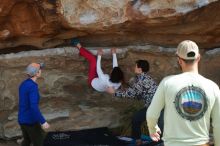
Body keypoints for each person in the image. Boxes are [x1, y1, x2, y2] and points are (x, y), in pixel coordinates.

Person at [147, 40, 220, 146]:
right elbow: (218, 124)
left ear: (179, 60)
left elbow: (151, 114)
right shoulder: (213, 87)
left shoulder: (167, 83)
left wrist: (152, 129)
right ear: (198, 58)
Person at [106, 60, 164, 146]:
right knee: (136, 118)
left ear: (140, 69)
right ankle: (138, 140)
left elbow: (131, 94)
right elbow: (136, 92)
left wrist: (114, 92)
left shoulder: (142, 80)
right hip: (152, 107)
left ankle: (157, 142)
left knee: (160, 135)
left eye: (136, 66)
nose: (134, 68)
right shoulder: (143, 78)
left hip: (158, 108)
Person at [18, 63, 50, 146]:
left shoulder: (24, 84)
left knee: (27, 141)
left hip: (22, 119)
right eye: (40, 69)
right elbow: (33, 107)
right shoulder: (32, 87)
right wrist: (43, 122)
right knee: (39, 141)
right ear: (37, 73)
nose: (41, 70)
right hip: (30, 121)